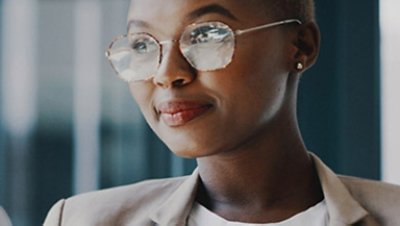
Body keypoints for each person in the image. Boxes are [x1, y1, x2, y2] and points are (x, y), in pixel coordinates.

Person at [44, 0, 400, 225]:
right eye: (142, 45)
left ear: (301, 45)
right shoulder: (82, 220)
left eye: (206, 36)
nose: (168, 73)